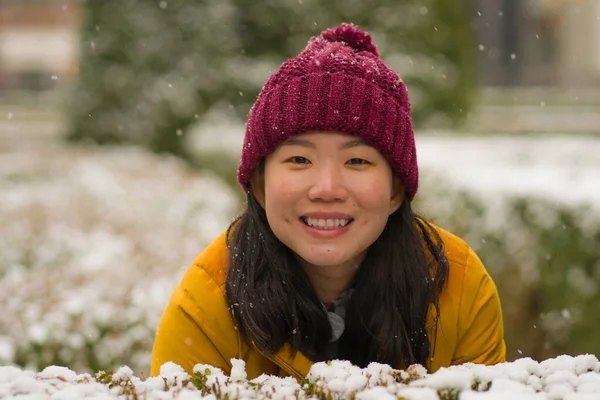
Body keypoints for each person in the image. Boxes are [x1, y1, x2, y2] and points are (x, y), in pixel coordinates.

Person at [151, 23, 505, 381]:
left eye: (357, 161)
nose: (327, 188)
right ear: (259, 185)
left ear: (396, 190)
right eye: (299, 160)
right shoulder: (208, 300)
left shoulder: (458, 286)